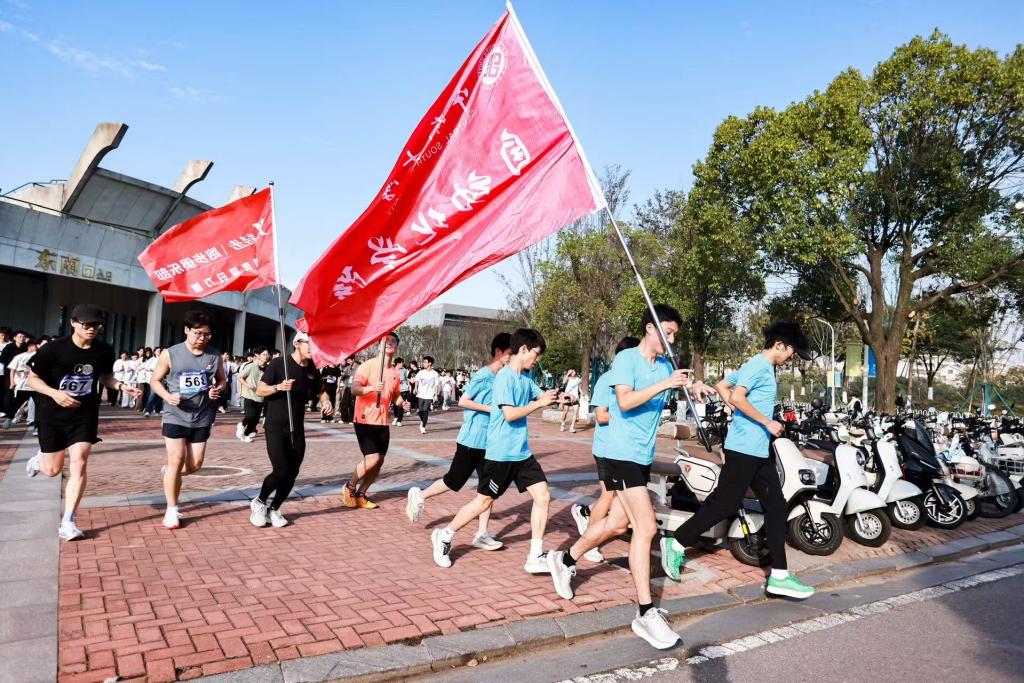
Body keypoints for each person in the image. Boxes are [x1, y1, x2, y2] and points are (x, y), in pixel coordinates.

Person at [547, 305, 704, 650]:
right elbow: (626, 401)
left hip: (641, 456)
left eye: (675, 334)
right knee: (646, 528)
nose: (672, 339)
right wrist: (666, 383)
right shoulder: (626, 360)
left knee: (618, 525)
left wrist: (695, 386)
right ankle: (645, 613)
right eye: (668, 332)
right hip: (619, 453)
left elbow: (682, 381)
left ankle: (565, 559)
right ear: (651, 329)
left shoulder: (664, 365)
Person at [663, 322, 817, 601]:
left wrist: (736, 408)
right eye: (791, 351)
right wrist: (765, 421)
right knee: (724, 504)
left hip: (758, 450)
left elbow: (723, 387)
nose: (792, 356)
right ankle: (676, 542)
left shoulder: (759, 366)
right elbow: (736, 394)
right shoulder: (759, 365)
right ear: (779, 345)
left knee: (776, 506)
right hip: (744, 449)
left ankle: (779, 576)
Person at [430, 328, 559, 572]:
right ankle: (445, 535)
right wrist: (538, 404)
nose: (538, 359)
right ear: (523, 350)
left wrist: (558, 398)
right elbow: (509, 414)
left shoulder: (525, 379)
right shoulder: (504, 378)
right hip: (501, 453)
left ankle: (535, 556)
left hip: (522, 453)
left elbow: (542, 396)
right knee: (483, 502)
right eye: (536, 353)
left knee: (543, 496)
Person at [25, 304, 140, 540]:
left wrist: (121, 386)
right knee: (52, 470)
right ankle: (41, 459)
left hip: (84, 414)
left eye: (97, 325)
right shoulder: (53, 349)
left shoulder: (104, 351)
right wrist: (55, 394)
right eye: (87, 324)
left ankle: (68, 521)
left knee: (79, 463)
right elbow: (33, 379)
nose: (92, 328)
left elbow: (105, 377)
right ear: (73, 323)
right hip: (51, 414)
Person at [407, 333, 512, 551]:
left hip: (490, 443)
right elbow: (464, 401)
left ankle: (482, 533)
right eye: (510, 354)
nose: (512, 358)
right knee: (454, 481)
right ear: (498, 352)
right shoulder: (483, 375)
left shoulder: (503, 377)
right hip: (471, 440)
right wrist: (491, 409)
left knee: (487, 490)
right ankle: (420, 494)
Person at [149, 310, 226, 530]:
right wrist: (167, 396)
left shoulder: (214, 355)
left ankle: (170, 473)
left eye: (207, 334)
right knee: (177, 458)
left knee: (195, 464)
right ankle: (172, 510)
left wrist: (217, 390)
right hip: (175, 414)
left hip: (202, 416)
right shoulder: (170, 354)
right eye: (198, 333)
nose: (202, 338)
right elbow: (155, 380)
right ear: (186, 330)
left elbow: (222, 380)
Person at [250, 332, 333, 527]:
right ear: (297, 344)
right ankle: (259, 502)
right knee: (280, 470)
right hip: (275, 426)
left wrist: (326, 402)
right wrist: (278, 387)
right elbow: (260, 389)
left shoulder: (312, 369)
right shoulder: (279, 364)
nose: (313, 348)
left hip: (297, 428)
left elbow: (321, 391)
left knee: (293, 471)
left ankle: (274, 508)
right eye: (309, 343)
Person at [569, 336, 640, 563]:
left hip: (625, 449)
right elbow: (601, 416)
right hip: (606, 447)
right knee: (609, 495)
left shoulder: (634, 380)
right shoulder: (608, 379)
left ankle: (585, 512)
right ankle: (590, 543)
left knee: (615, 496)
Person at [341, 332, 409, 509]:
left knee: (379, 462)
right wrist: (371, 388)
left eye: (393, 341)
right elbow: (355, 389)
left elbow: (395, 395)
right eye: (386, 341)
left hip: (383, 421)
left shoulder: (395, 372)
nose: (390, 343)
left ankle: (361, 494)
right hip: (364, 419)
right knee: (372, 459)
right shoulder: (368, 365)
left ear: (397, 346)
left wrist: (402, 403)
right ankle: (349, 486)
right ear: (378, 346)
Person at [238, 347, 270, 442]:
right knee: (251, 415)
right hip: (249, 395)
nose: (266, 356)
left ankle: (245, 435)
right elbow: (240, 377)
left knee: (255, 419)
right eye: (264, 354)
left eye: (267, 355)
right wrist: (247, 385)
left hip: (261, 396)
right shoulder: (251, 366)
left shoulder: (269, 368)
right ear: (257, 356)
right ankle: (242, 424)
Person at [5, 338, 38, 428]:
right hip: (23, 385)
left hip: (37, 386)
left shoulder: (39, 356)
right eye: (33, 345)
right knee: (17, 404)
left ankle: (36, 424)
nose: (36, 347)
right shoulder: (19, 357)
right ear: (29, 346)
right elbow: (12, 370)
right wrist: (12, 382)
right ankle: (10, 418)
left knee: (39, 406)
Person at [412, 356, 440, 434]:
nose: (423, 363)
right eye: (423, 362)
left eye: (425, 362)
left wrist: (436, 395)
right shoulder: (421, 372)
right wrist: (415, 388)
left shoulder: (435, 373)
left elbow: (436, 385)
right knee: (420, 411)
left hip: (429, 395)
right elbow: (417, 380)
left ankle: (423, 427)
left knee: (425, 410)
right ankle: (422, 421)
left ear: (430, 363)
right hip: (420, 394)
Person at [392, 358, 409, 426]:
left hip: (403, 389)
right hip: (395, 390)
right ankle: (395, 418)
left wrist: (408, 386)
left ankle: (399, 420)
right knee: (395, 405)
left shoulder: (404, 370)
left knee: (401, 405)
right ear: (398, 363)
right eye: (402, 363)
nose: (403, 364)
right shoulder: (392, 370)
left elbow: (406, 379)